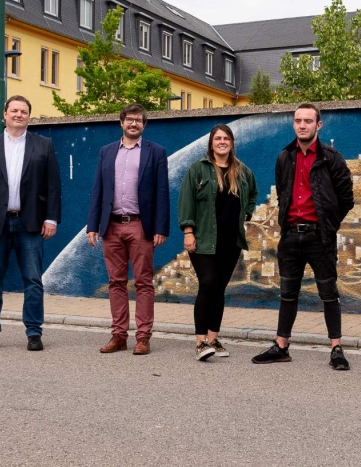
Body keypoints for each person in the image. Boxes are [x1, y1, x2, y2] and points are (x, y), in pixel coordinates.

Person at [252, 103, 355, 370]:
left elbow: (346, 199)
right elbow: (283, 192)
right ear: (293, 124)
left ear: (318, 125)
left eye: (308, 121)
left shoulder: (332, 158)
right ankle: (281, 346)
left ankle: (336, 348)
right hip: (290, 236)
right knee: (288, 293)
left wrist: (328, 225)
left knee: (328, 293)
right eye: (298, 120)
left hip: (320, 237)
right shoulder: (284, 157)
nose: (302, 125)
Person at [0, 95, 62, 352]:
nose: (19, 115)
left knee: (32, 280)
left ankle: (33, 332)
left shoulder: (44, 145)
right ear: (5, 115)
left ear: (29, 116)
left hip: (29, 224)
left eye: (24, 111)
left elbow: (53, 186)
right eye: (15, 110)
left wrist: (51, 218)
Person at [86, 104, 170, 356]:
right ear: (121, 122)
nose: (134, 124)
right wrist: (93, 225)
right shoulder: (107, 152)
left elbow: (162, 193)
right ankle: (118, 335)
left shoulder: (156, 152)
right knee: (116, 283)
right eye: (130, 119)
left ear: (144, 125)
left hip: (140, 226)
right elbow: (98, 190)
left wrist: (160, 227)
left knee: (144, 283)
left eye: (139, 120)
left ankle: (143, 337)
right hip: (111, 226)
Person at [179, 124, 258, 361]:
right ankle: (200, 342)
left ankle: (214, 339)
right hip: (203, 239)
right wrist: (188, 231)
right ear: (211, 143)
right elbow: (186, 201)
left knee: (219, 288)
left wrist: (247, 213)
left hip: (230, 241)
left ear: (232, 142)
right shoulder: (198, 169)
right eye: (217, 138)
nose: (222, 142)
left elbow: (253, 193)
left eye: (226, 138)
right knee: (208, 283)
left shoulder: (242, 171)